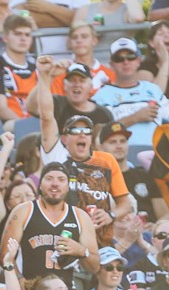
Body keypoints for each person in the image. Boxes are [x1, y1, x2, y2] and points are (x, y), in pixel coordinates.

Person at [37, 56, 131, 248]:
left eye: (86, 131)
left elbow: (125, 204)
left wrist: (110, 215)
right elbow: (46, 116)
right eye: (75, 131)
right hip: (62, 239)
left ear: (91, 137)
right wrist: (44, 76)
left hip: (101, 242)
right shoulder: (56, 156)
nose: (81, 135)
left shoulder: (106, 160)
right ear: (64, 139)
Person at [2, 162, 100, 286]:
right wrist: (20, 281)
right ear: (40, 185)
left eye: (61, 179)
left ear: (68, 186)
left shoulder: (80, 217)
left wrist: (81, 251)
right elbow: (4, 256)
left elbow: (94, 267)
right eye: (49, 179)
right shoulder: (23, 211)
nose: (55, 183)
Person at [92, 37, 169, 148]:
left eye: (130, 57)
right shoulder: (101, 96)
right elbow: (99, 133)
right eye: (119, 59)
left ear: (138, 61)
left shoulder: (152, 89)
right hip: (121, 156)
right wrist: (136, 117)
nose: (126, 62)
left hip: (155, 154)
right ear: (111, 65)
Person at [98, 121, 169, 223]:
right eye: (112, 142)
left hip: (149, 235)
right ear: (101, 148)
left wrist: (156, 227)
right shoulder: (97, 180)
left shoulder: (146, 176)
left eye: (122, 141)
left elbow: (166, 215)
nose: (119, 146)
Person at [0, 13, 37, 124]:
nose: (23, 38)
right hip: (5, 127)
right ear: (5, 37)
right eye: (17, 34)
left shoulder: (36, 69)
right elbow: (1, 109)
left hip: (34, 126)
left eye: (27, 35)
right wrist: (25, 126)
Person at [27, 61, 113, 132]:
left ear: (91, 87)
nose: (76, 84)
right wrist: (48, 76)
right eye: (72, 80)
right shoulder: (57, 103)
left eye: (82, 81)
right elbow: (32, 108)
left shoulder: (104, 114)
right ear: (64, 86)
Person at [73, 0, 145, 54]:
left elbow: (138, 18)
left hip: (120, 65)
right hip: (90, 67)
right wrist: (90, 34)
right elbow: (70, 44)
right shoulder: (84, 10)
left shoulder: (127, 11)